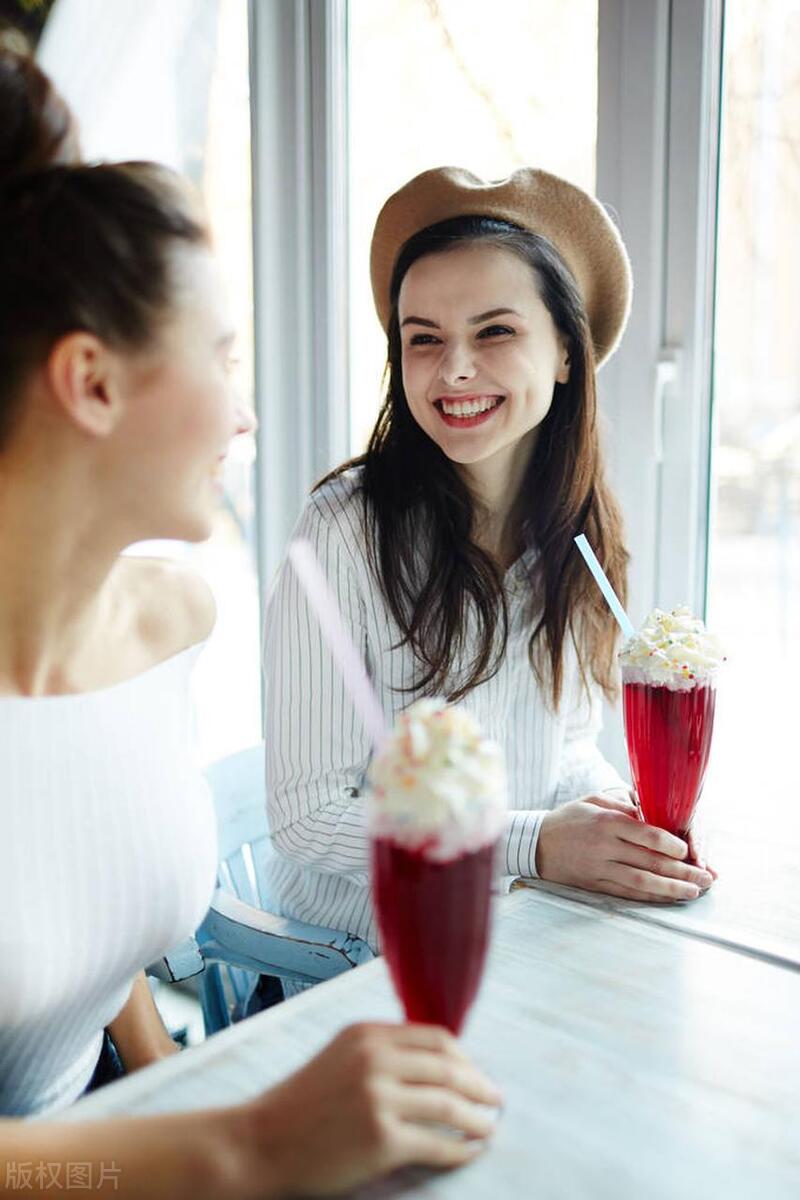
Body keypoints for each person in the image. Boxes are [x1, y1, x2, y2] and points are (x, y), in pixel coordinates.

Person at [0, 52, 499, 1196]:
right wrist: (240, 1144)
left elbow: (69, 917)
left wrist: (162, 1075)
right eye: (222, 357)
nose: (247, 408)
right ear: (92, 382)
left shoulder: (169, 622)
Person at [263, 166, 715, 967]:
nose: (455, 369)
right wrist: (535, 845)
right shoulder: (338, 534)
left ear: (568, 353)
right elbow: (308, 819)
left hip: (515, 932)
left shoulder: (578, 533)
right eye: (424, 338)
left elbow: (559, 749)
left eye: (495, 331)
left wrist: (619, 819)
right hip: (357, 967)